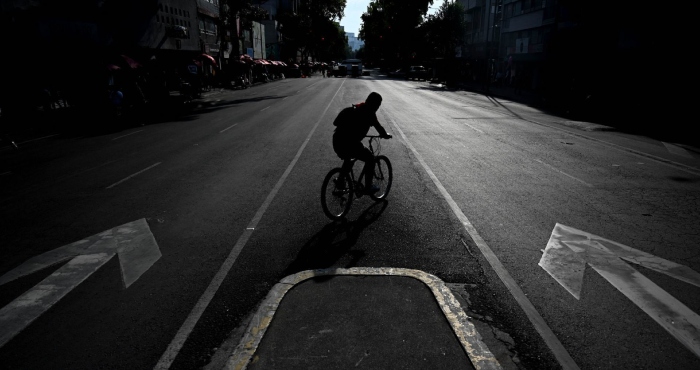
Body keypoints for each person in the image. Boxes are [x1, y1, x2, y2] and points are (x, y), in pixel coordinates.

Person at [332, 92, 392, 195]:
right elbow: (380, 130)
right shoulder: (370, 114)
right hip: (350, 143)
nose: (377, 108)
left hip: (337, 141)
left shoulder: (352, 109)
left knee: (349, 158)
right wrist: (385, 135)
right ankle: (368, 187)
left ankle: (341, 180)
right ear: (374, 104)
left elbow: (335, 123)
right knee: (370, 159)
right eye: (378, 105)